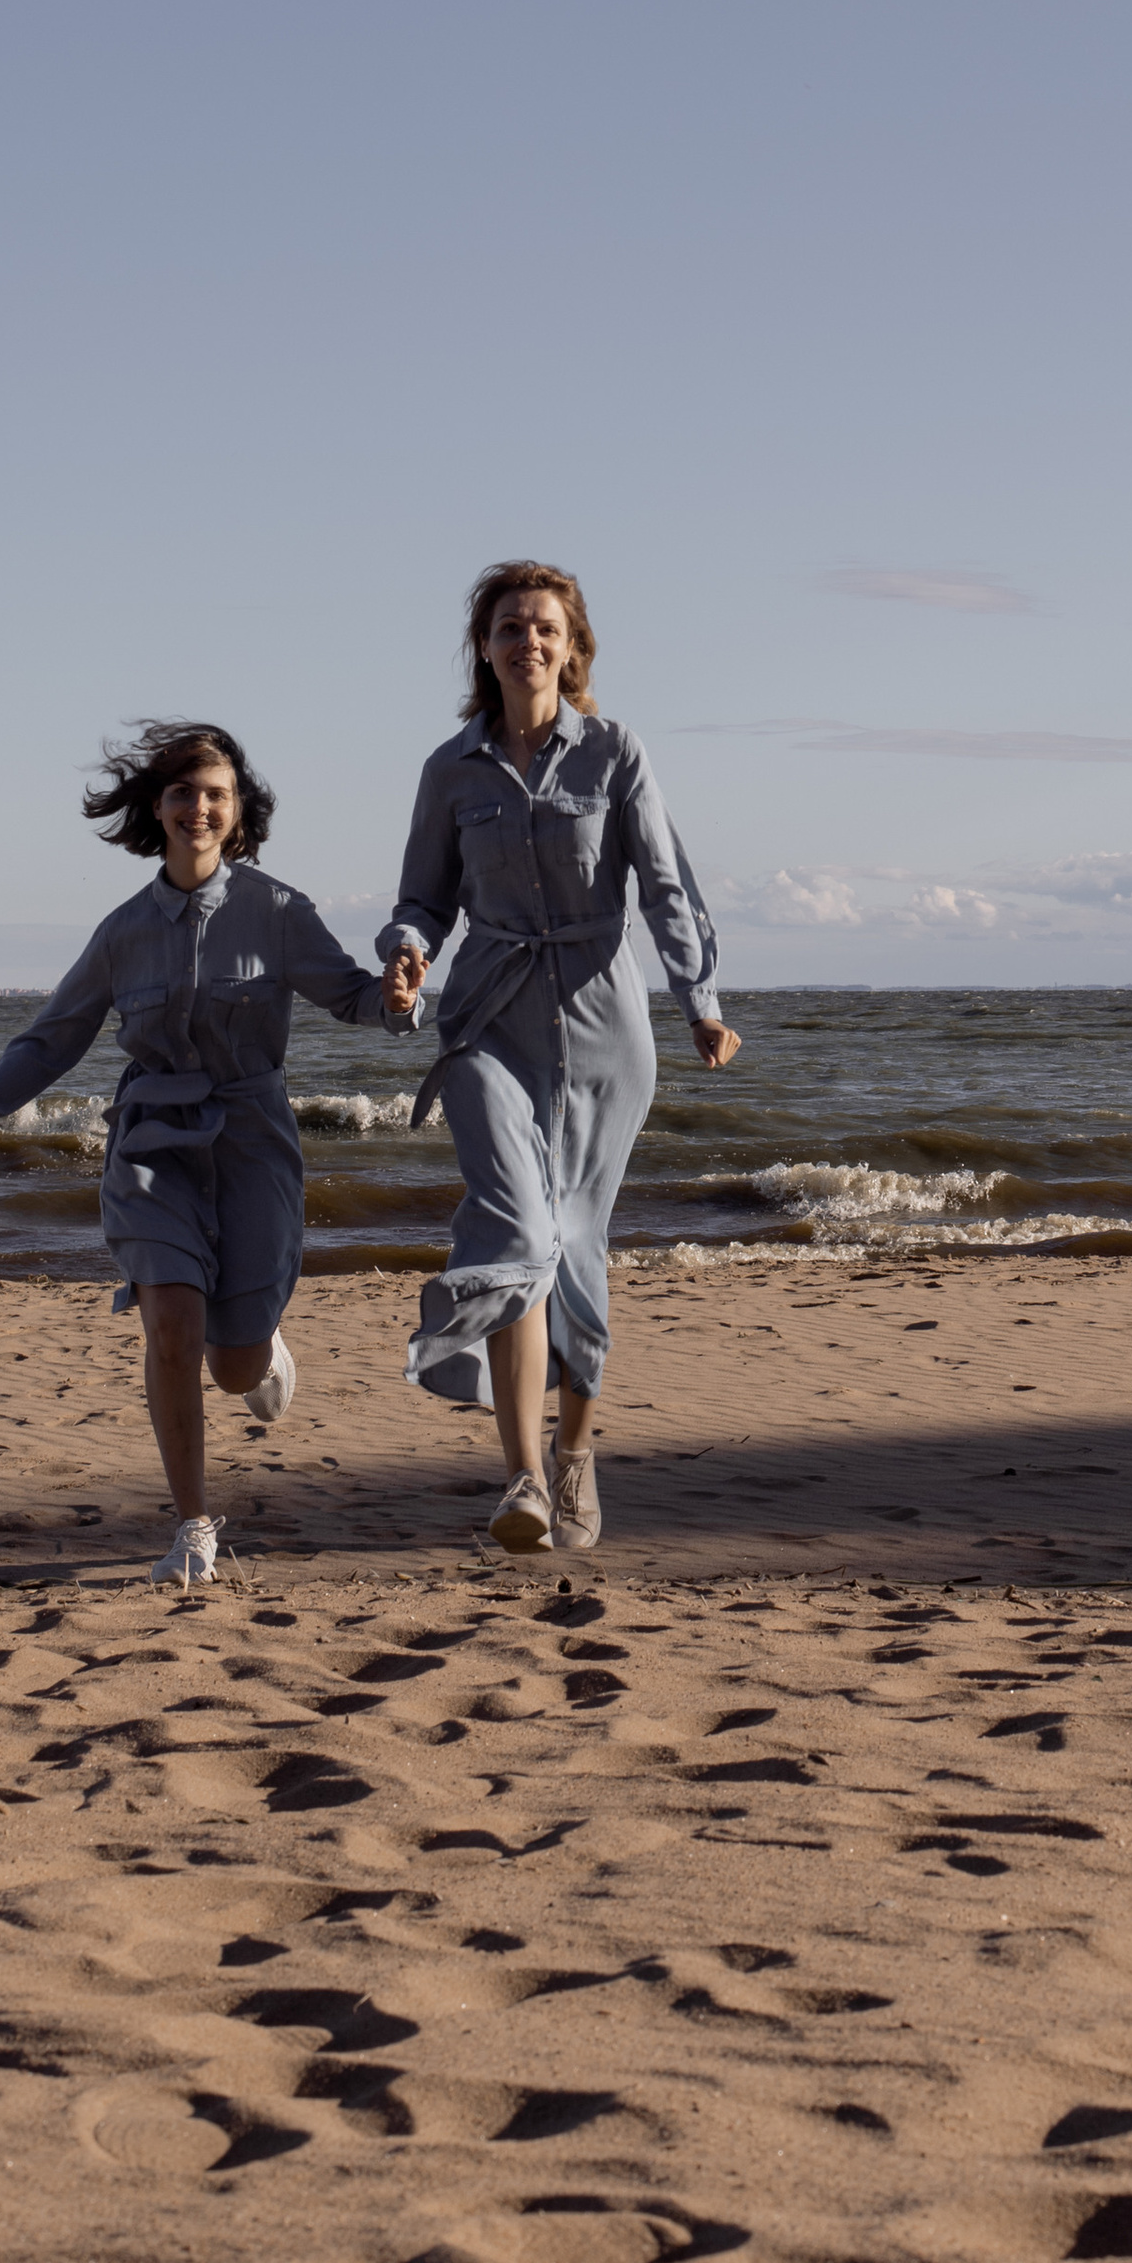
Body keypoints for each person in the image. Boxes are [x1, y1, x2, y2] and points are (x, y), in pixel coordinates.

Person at [0, 721, 405, 1591]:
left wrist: (398, 999)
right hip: (152, 1145)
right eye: (183, 792)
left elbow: (351, 997)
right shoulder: (122, 932)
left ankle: (261, 1347)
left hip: (252, 1142)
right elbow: (54, 1037)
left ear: (238, 812)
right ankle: (192, 1527)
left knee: (233, 1364)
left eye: (216, 794)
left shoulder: (278, 911)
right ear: (158, 807)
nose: (199, 808)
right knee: (173, 1327)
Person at [381, 564, 738, 1555]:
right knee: (517, 1228)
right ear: (484, 648)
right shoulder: (450, 770)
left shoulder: (615, 751)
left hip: (602, 1024)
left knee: (574, 1245)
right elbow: (423, 899)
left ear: (572, 648)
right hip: (487, 1021)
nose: (526, 641)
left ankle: (573, 1451)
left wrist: (700, 1003)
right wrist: (406, 954)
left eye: (544, 627)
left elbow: (665, 887)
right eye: (509, 627)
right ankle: (523, 1479)